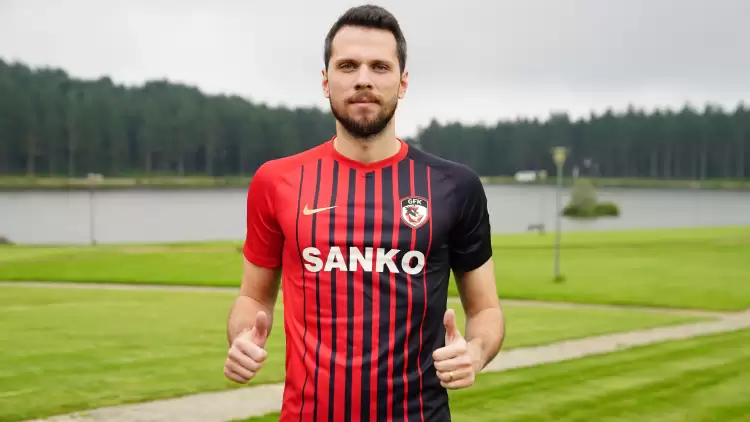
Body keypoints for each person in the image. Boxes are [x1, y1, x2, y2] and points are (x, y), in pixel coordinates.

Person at [224, 4, 505, 421]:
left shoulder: (454, 186)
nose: (363, 79)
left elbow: (485, 310)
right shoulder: (277, 181)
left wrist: (475, 353)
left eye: (379, 66)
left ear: (402, 82)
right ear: (325, 81)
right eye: (347, 65)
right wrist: (243, 338)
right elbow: (253, 297)